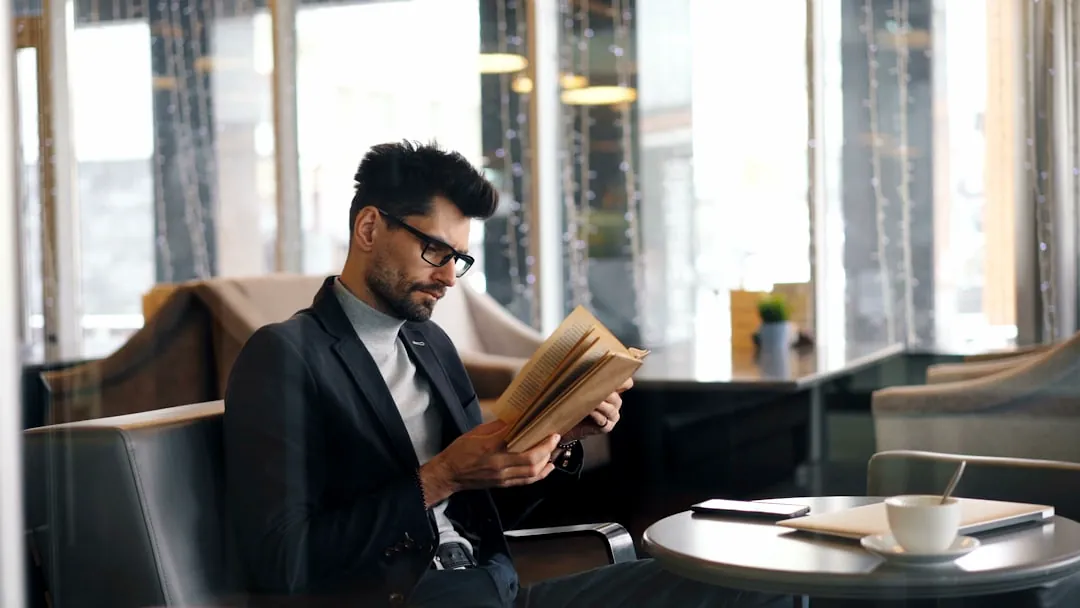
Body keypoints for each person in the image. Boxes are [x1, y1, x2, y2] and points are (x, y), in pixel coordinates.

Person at [223, 140, 790, 607]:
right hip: (414, 599)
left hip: (499, 588)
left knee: (751, 585)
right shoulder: (287, 356)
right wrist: (440, 476)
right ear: (369, 228)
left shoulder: (431, 345)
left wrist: (561, 437)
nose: (449, 278)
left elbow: (491, 510)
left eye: (459, 259)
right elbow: (284, 562)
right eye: (434, 251)